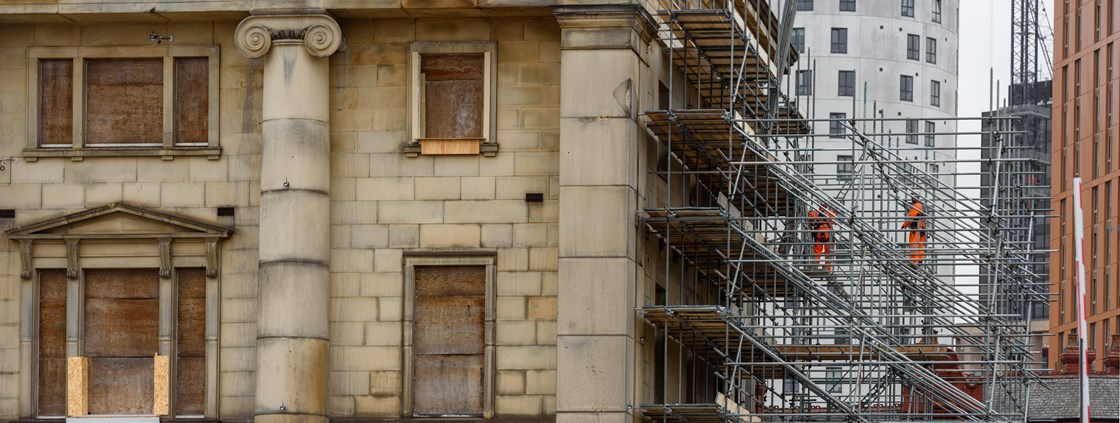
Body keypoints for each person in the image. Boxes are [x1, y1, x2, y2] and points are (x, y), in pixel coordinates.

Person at [809, 204, 836, 271]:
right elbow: (835, 221)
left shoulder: (814, 213)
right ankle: (828, 269)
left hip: (818, 235)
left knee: (817, 253)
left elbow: (809, 222)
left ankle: (815, 267)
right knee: (828, 253)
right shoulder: (830, 213)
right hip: (828, 235)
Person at [901, 196, 927, 265]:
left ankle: (914, 262)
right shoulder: (922, 206)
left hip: (916, 228)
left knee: (914, 245)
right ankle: (919, 261)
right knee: (920, 245)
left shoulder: (917, 205)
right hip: (922, 228)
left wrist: (904, 225)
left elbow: (911, 217)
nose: (913, 199)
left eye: (914, 197)